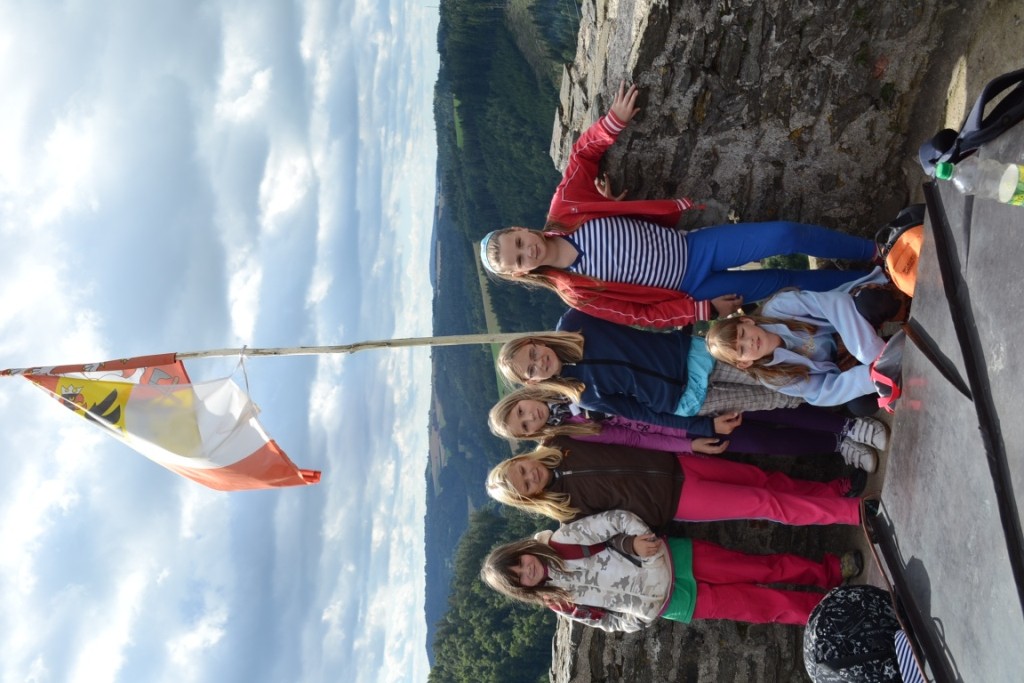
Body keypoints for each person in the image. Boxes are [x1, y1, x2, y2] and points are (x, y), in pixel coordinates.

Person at [478, 81, 877, 329]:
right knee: (783, 283)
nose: (526, 251)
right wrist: (703, 311)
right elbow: (641, 316)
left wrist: (612, 123)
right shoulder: (575, 292)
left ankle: (875, 251)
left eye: (517, 243)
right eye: (518, 260)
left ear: (519, 229)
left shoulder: (566, 207)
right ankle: (873, 285)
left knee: (785, 235)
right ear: (520, 273)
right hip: (692, 288)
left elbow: (582, 157)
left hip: (695, 246)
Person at [480, 509, 863, 631]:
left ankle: (830, 571)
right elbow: (605, 622)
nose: (527, 571)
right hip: (672, 603)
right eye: (519, 578)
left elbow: (616, 520)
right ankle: (836, 615)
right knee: (762, 608)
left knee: (762, 567)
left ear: (523, 550)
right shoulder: (559, 603)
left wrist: (638, 542)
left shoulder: (563, 539)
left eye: (520, 562)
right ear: (521, 589)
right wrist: (639, 619)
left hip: (674, 558)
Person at [485, 437, 867, 528]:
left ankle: (833, 493)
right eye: (525, 485)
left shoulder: (560, 440)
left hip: (676, 459)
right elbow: (613, 529)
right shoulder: (566, 512)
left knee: (761, 479)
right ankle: (854, 514)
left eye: (522, 470)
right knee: (763, 504)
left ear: (521, 459)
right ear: (529, 498)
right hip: (675, 499)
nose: (530, 476)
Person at [487, 385, 887, 471]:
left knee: (771, 408)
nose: (530, 417)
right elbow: (634, 436)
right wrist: (689, 445)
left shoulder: (570, 381)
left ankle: (850, 424)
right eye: (524, 426)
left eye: (521, 411)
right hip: (686, 430)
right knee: (766, 441)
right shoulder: (573, 432)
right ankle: (838, 444)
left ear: (524, 396)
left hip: (687, 397)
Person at [705, 269, 890, 412]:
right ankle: (892, 352)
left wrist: (869, 352)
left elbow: (834, 304)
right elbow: (821, 392)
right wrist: (870, 374)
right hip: (840, 363)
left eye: (743, 334)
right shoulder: (773, 377)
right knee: (861, 405)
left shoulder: (778, 308)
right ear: (744, 363)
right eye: (742, 350)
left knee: (871, 302)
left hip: (845, 324)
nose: (749, 342)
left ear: (747, 321)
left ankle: (892, 334)